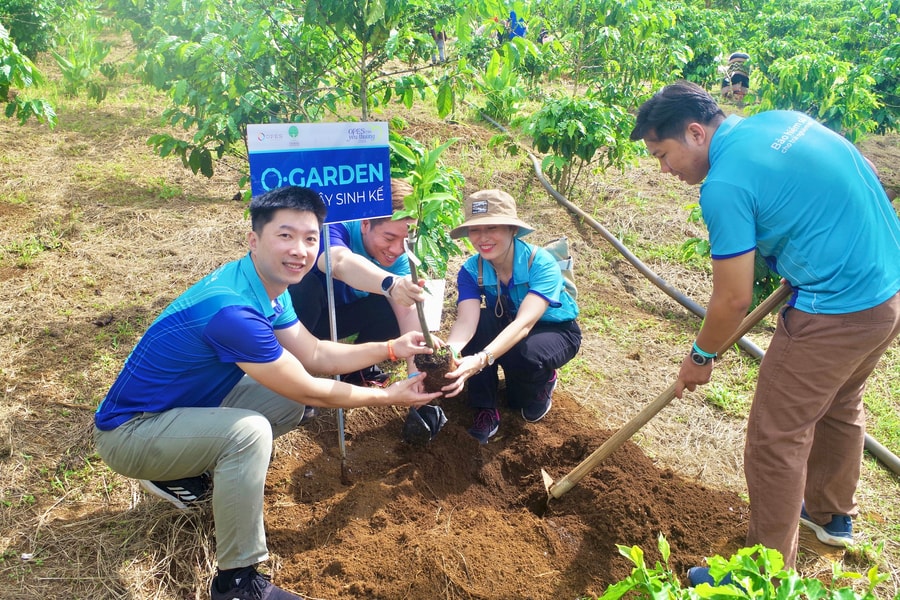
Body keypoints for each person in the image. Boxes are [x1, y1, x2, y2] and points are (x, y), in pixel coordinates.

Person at [93, 185, 441, 600]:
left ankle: (191, 468)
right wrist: (389, 396)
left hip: (182, 407)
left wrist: (391, 348)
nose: (300, 250)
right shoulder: (233, 311)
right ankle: (237, 583)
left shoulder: (264, 286)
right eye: (285, 235)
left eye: (310, 238)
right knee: (250, 432)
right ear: (254, 240)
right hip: (130, 432)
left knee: (288, 399)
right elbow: (315, 388)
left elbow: (315, 353)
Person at [629, 81, 900, 583]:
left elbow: (733, 298)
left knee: (776, 439)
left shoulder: (724, 185)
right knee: (840, 403)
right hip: (887, 292)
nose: (663, 170)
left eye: (662, 154)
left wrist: (701, 355)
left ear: (695, 133)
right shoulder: (782, 120)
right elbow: (862, 173)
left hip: (835, 310)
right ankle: (829, 516)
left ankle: (763, 576)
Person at [440, 189, 581, 443]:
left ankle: (544, 380)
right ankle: (485, 409)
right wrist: (448, 353)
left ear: (512, 229)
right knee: (482, 324)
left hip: (554, 331)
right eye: (475, 230)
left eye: (492, 227)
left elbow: (524, 324)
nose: (482, 238)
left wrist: (482, 358)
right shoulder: (471, 270)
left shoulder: (541, 264)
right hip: (508, 326)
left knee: (522, 372)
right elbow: (466, 321)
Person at [288, 178, 425, 386]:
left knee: (394, 305)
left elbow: (408, 314)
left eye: (406, 240)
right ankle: (290, 369)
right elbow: (338, 262)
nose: (397, 249)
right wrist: (391, 284)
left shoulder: (400, 259)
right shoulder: (334, 225)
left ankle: (356, 369)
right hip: (297, 319)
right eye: (389, 238)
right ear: (365, 223)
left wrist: (416, 376)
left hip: (341, 318)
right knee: (305, 286)